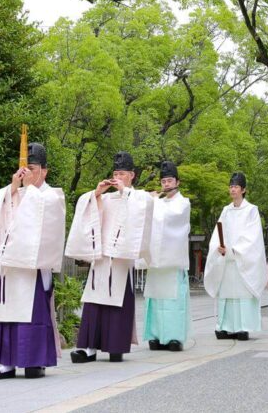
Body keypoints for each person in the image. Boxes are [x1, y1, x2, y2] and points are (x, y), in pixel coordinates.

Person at [0, 143, 65, 380]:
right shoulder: (14, 193)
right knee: (7, 312)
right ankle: (5, 363)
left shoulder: (52, 196)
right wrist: (13, 188)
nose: (25, 173)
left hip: (32, 269)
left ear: (44, 171)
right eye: (23, 168)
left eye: (31, 169)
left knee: (32, 313)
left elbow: (46, 226)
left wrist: (28, 189)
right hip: (10, 266)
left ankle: (35, 361)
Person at [66, 151, 154, 363]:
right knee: (94, 302)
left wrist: (125, 191)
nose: (118, 177)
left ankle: (116, 346)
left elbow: (144, 211)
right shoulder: (105, 198)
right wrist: (96, 193)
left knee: (117, 302)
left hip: (121, 261)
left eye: (122, 174)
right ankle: (89, 348)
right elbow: (88, 211)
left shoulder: (139, 198)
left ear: (132, 175)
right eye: (115, 173)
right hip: (102, 258)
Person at [204, 172, 268, 341]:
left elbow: (253, 237)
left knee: (241, 293)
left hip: (242, 259)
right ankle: (224, 326)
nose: (232, 189)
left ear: (243, 190)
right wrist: (219, 247)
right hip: (226, 260)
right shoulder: (226, 210)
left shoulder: (251, 210)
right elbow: (217, 233)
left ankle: (242, 327)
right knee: (226, 293)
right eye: (231, 186)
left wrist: (235, 250)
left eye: (236, 187)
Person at [141, 161, 191, 351]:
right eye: (163, 181)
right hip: (156, 261)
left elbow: (172, 218)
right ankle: (155, 335)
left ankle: (174, 337)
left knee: (172, 300)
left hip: (172, 262)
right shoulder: (158, 202)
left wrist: (152, 202)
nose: (166, 184)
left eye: (170, 180)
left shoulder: (183, 203)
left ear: (177, 182)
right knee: (155, 298)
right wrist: (150, 201)